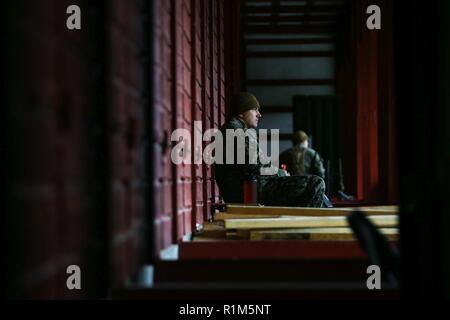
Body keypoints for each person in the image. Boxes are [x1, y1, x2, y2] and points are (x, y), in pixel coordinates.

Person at [214, 92, 326, 207]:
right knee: (316, 183)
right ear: (241, 113)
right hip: (250, 192)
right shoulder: (239, 133)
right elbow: (257, 167)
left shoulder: (230, 130)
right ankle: (305, 223)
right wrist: (281, 173)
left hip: (242, 191)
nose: (259, 115)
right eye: (254, 109)